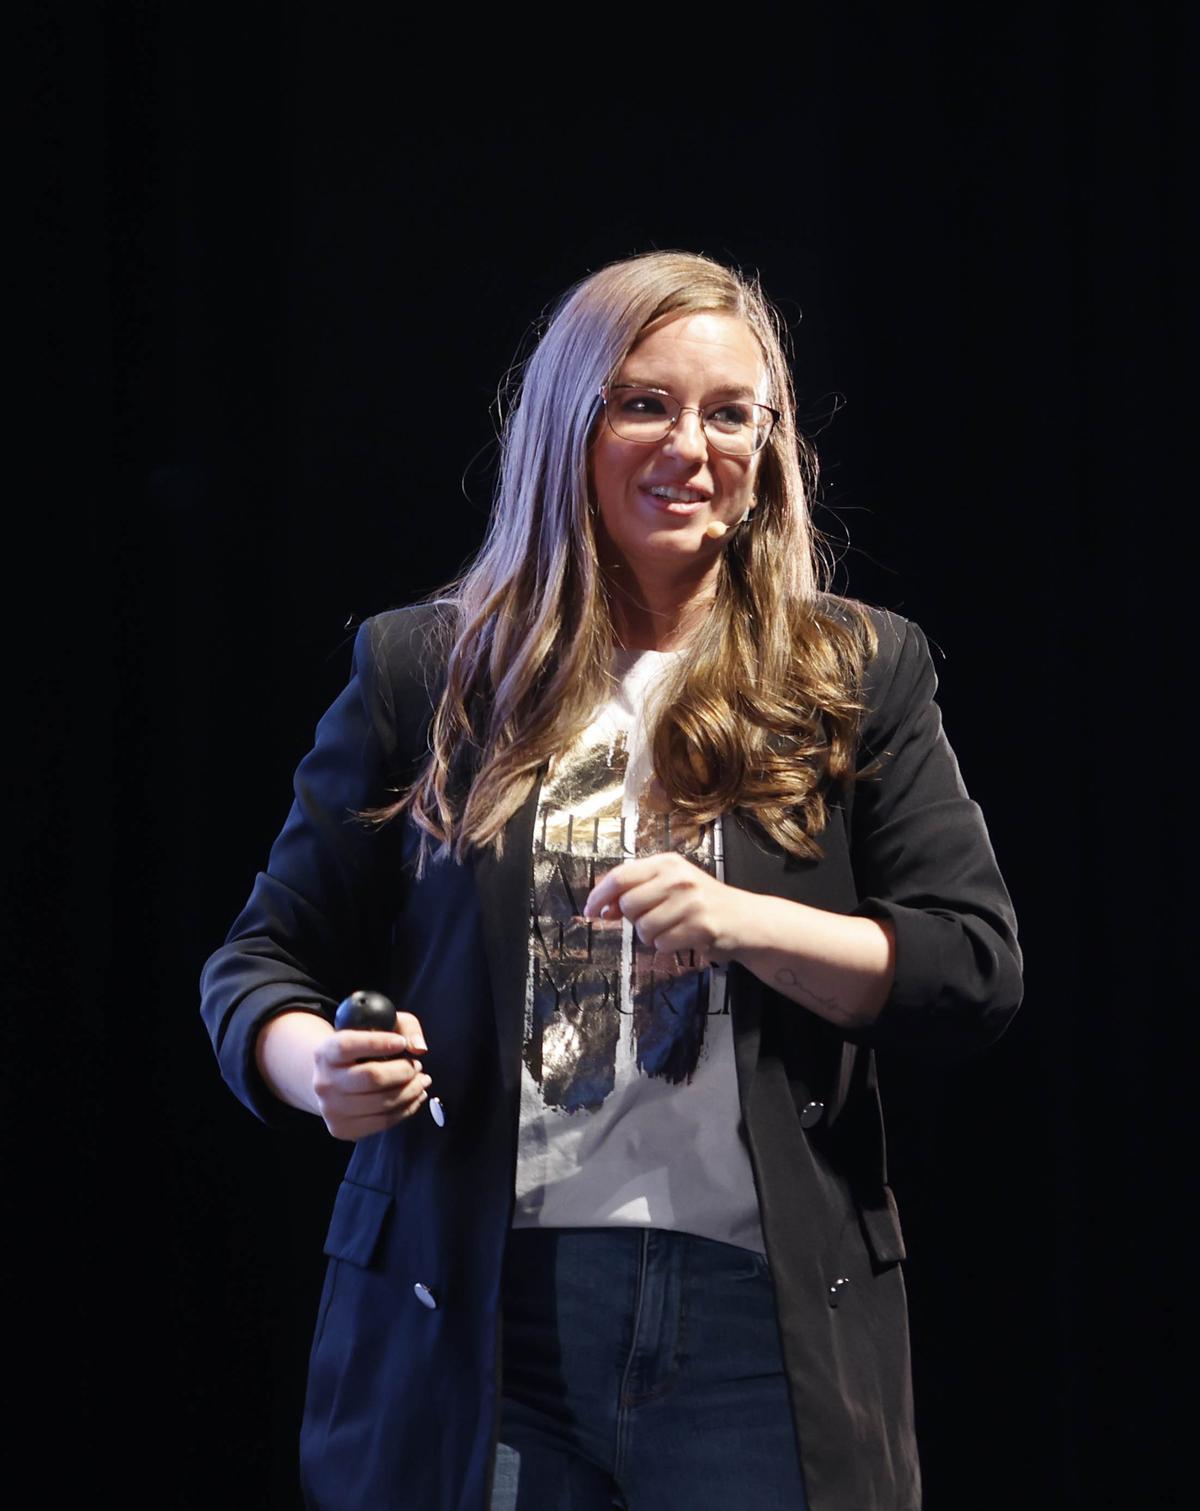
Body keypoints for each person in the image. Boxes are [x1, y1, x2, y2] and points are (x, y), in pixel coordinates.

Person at [201, 250, 1022, 1511]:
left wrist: (747, 921)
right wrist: (317, 1068)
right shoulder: (431, 672)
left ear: (769, 450)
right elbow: (259, 964)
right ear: (566, 428)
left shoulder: (853, 670)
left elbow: (970, 964)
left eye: (729, 412)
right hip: (484, 1310)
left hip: (760, 1321)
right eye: (643, 402)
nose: (690, 445)